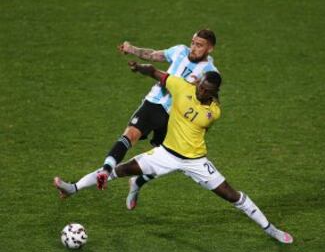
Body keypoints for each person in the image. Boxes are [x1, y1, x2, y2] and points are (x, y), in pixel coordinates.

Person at [57, 60, 294, 244]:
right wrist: (141, 68)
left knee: (232, 196)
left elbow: (200, 114)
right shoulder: (182, 86)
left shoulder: (214, 112)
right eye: (200, 85)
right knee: (118, 170)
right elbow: (157, 73)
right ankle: (73, 188)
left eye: (205, 90)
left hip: (196, 161)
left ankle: (270, 229)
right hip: (165, 154)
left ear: (213, 93)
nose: (200, 90)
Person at [54, 29, 219, 210]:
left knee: (167, 163)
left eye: (199, 45)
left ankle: (137, 183)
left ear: (210, 48)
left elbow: (209, 103)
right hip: (153, 103)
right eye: (193, 43)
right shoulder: (180, 50)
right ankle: (100, 174)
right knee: (129, 135)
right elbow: (154, 55)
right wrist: (132, 49)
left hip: (175, 118)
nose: (193, 48)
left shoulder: (210, 74)